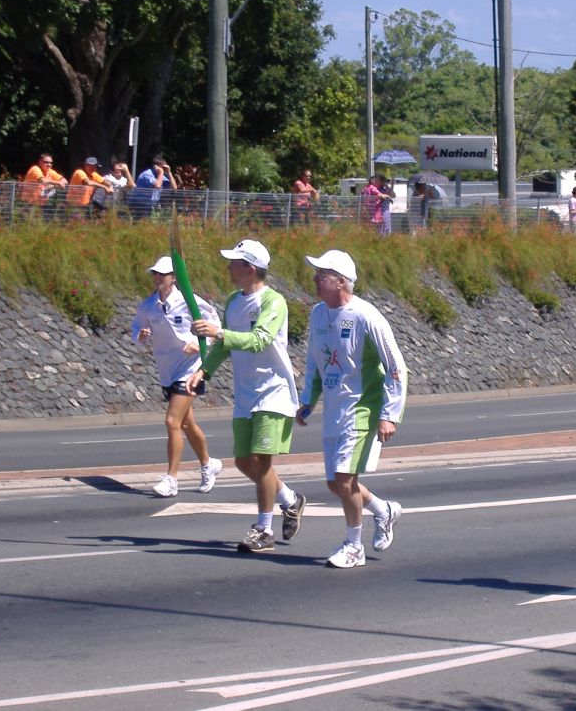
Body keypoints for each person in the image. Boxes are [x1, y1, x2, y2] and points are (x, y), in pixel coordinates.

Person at [187, 240, 307, 553]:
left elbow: (258, 340)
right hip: (245, 393)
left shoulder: (273, 302)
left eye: (234, 263)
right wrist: (204, 371)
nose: (228, 267)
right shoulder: (233, 301)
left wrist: (218, 332)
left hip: (273, 392)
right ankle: (290, 499)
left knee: (261, 463)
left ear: (250, 268)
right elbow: (224, 347)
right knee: (243, 461)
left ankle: (263, 530)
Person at [297, 249, 407, 568]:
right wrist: (308, 400)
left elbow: (396, 367)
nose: (316, 278)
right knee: (335, 484)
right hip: (335, 408)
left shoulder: (365, 316)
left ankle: (353, 546)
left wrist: (389, 414)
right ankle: (383, 510)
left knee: (345, 481)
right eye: (316, 272)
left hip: (362, 408)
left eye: (323, 274)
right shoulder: (318, 314)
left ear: (342, 282)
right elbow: (314, 363)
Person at [131, 256, 222, 498]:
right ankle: (208, 464)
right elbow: (136, 327)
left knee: (172, 421)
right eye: (155, 274)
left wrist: (198, 343)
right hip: (167, 369)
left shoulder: (189, 302)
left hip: (191, 369)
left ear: (174, 277)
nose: (158, 278)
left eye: (163, 274)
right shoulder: (149, 305)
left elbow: (214, 324)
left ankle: (171, 479)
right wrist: (141, 335)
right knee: (186, 423)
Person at [20, 153, 67, 217]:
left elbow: (65, 181)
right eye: (46, 162)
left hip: (40, 205)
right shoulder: (35, 169)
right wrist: (58, 183)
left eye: (51, 163)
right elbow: (43, 181)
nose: (49, 164)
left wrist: (53, 185)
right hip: (29, 204)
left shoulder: (49, 171)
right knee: (29, 224)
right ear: (40, 162)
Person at [129, 155, 176, 220]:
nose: (163, 169)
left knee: (146, 225)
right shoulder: (147, 174)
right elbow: (157, 186)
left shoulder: (159, 176)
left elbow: (174, 188)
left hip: (149, 206)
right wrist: (161, 172)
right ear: (155, 166)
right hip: (138, 205)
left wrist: (169, 173)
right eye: (161, 167)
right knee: (139, 225)